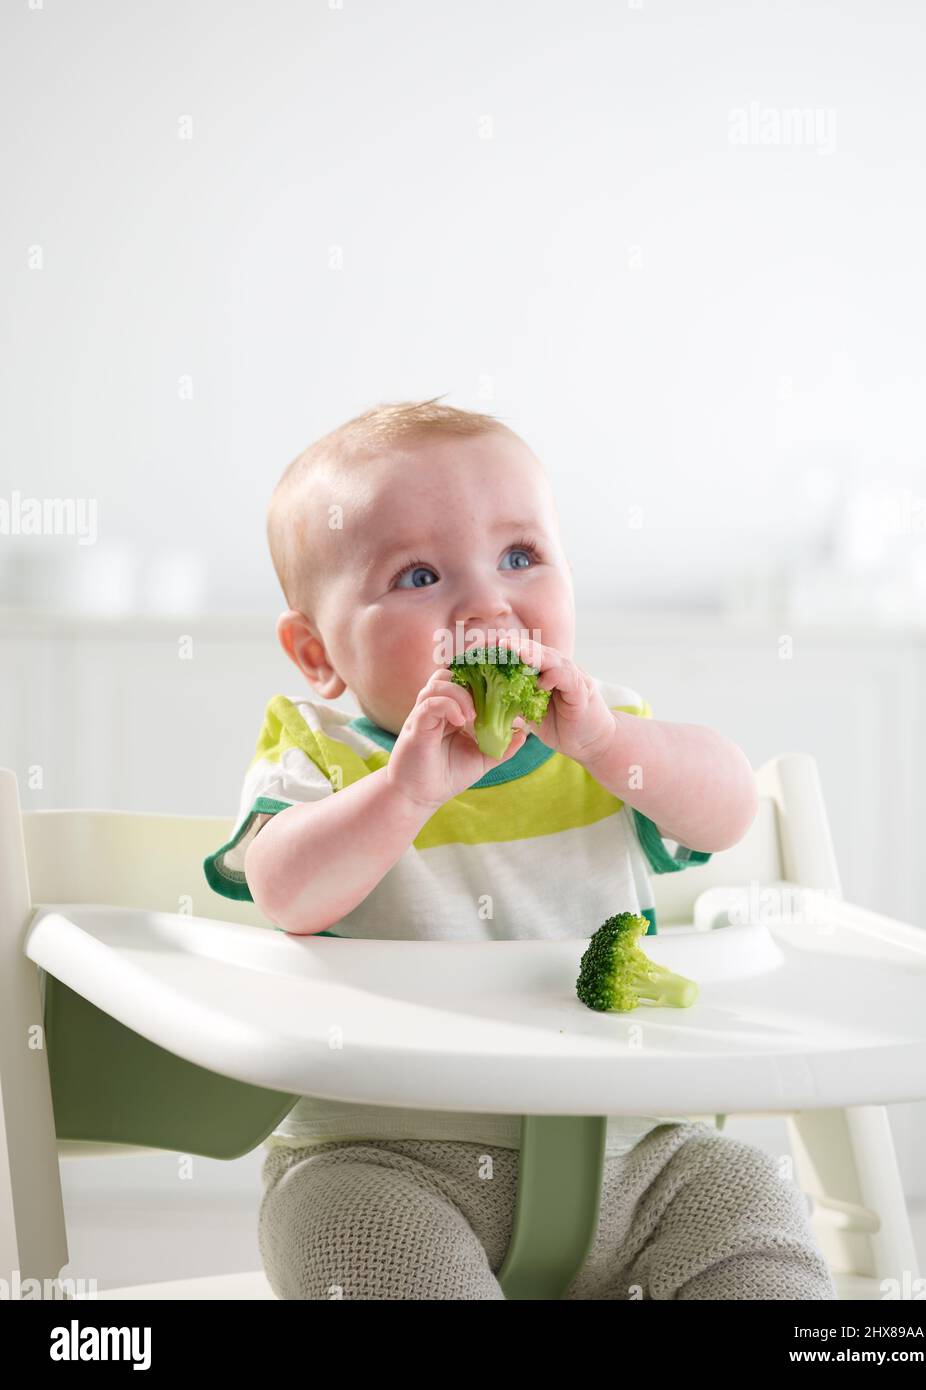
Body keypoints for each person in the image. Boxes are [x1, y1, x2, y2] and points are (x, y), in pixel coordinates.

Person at [203, 395, 836, 1300]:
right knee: (342, 1227)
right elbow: (286, 891)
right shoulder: (321, 754)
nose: (487, 603)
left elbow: (728, 809)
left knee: (744, 1195)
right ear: (316, 652)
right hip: (386, 1158)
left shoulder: (605, 740)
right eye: (419, 576)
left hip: (631, 1158)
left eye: (520, 557)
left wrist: (612, 745)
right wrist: (403, 791)